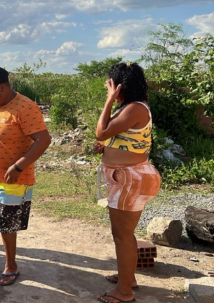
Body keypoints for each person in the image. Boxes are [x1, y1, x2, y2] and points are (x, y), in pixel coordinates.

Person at [0, 66, 51, 286]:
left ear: (2, 88)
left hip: (14, 178)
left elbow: (43, 140)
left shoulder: (25, 107)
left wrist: (19, 166)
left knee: (7, 224)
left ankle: (11, 265)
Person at [94, 62, 161, 303]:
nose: (108, 88)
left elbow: (100, 132)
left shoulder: (134, 108)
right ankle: (128, 279)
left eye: (111, 85)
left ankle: (124, 293)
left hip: (130, 179)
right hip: (128, 177)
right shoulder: (131, 108)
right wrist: (107, 147)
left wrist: (109, 100)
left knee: (122, 235)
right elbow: (112, 136)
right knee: (125, 234)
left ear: (120, 86)